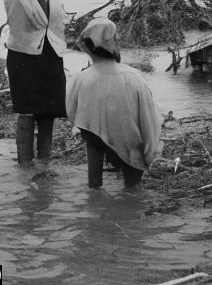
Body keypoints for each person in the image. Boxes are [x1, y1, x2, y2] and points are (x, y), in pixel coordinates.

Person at [66, 18, 163, 189]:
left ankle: (94, 188)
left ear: (89, 48)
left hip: (93, 137)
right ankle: (131, 192)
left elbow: (72, 113)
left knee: (94, 152)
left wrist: (91, 127)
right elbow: (148, 118)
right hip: (129, 139)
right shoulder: (133, 78)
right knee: (133, 181)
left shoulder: (82, 78)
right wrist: (149, 148)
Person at [2, 0, 67, 165]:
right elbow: (16, 24)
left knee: (49, 110)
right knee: (27, 111)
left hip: (51, 55)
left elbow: (55, 23)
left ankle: (45, 160)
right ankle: (25, 163)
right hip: (24, 57)